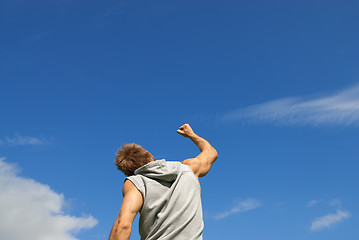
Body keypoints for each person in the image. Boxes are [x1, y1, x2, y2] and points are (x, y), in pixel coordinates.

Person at [109, 123, 218, 240]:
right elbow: (211, 153)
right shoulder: (188, 169)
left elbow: (123, 226)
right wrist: (191, 135)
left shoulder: (136, 183)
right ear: (150, 155)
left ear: (130, 172)